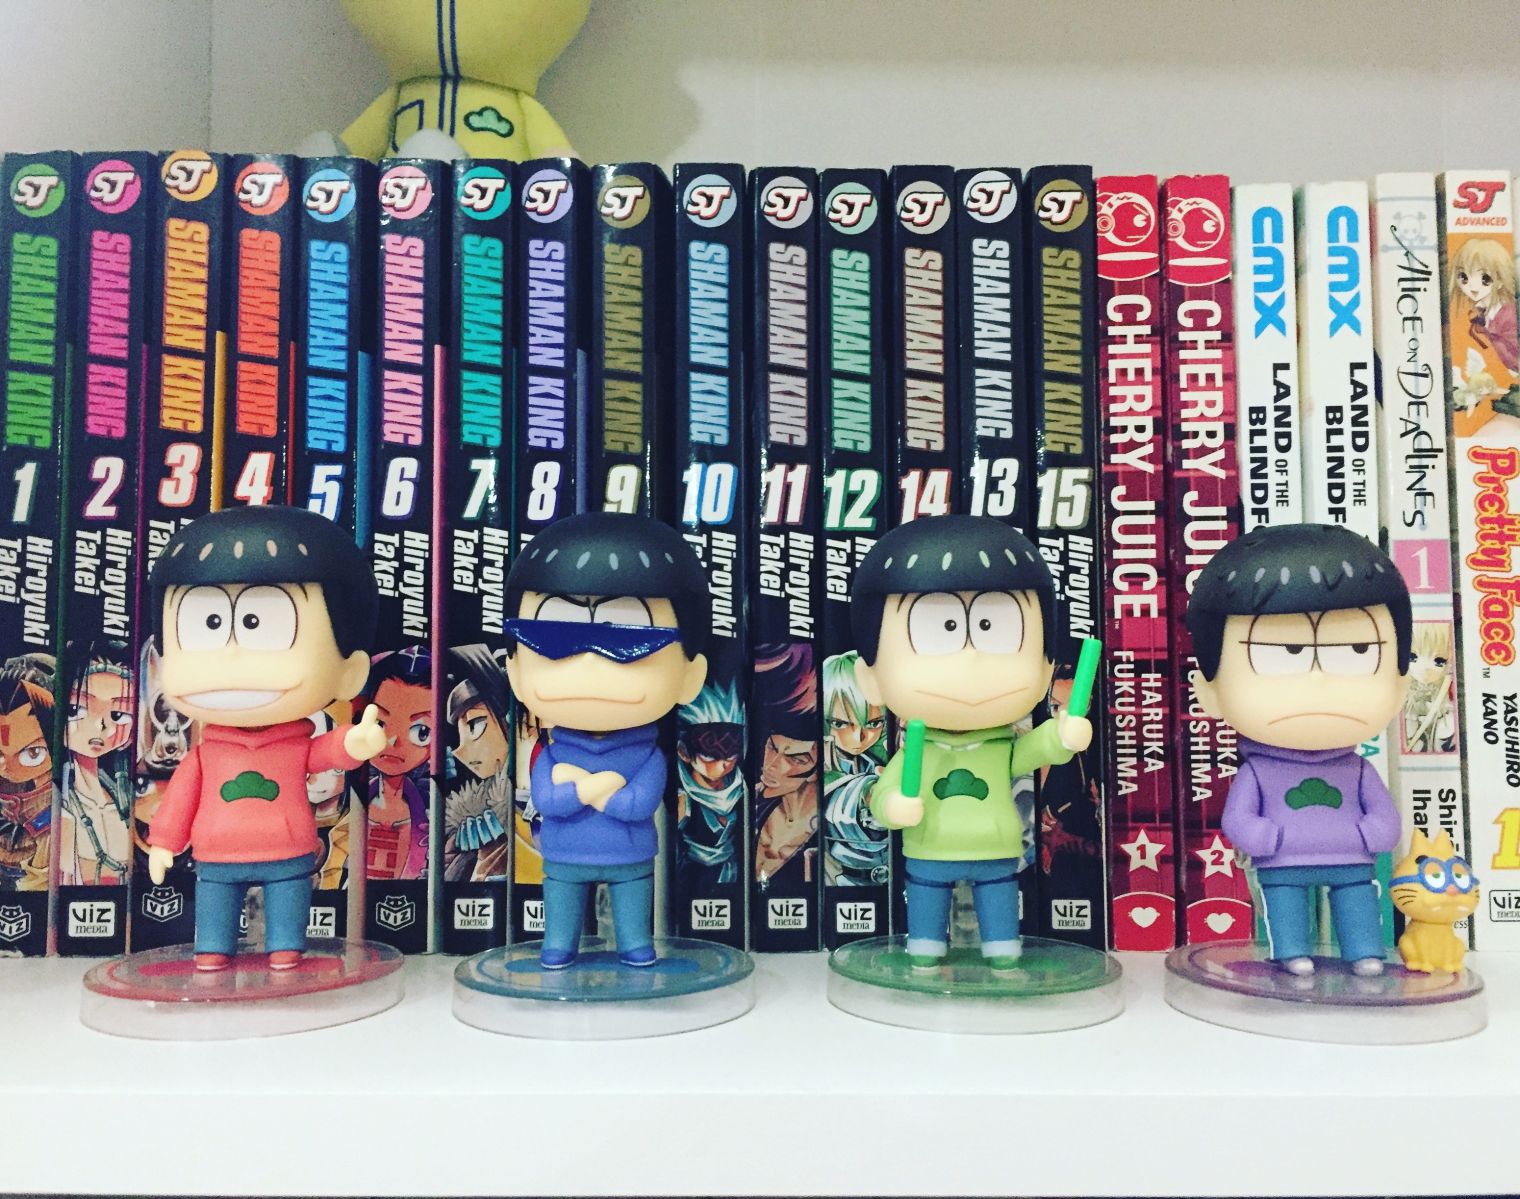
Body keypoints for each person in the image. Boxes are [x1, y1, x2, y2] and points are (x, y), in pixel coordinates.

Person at [144, 506, 387, 971]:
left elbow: (326, 752)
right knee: (213, 933)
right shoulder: (205, 756)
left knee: (287, 932)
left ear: (350, 670)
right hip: (216, 853)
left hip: (288, 850)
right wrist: (164, 843)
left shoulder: (295, 745)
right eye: (207, 625)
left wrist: (355, 744)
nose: (231, 658)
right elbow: (179, 800)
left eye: (261, 625)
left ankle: (287, 951)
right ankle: (212, 951)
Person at [852, 515, 1090, 969]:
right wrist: (893, 807)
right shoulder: (916, 749)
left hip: (996, 850)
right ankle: (925, 950)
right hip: (929, 851)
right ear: (872, 678)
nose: (970, 660)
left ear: (1046, 667)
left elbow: (1036, 750)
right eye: (938, 631)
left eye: (994, 629)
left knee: (1001, 926)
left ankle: (1003, 953)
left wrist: (1063, 736)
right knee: (925, 926)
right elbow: (884, 793)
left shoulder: (1001, 747)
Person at [1186, 522, 1411, 977]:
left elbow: (1385, 816)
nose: (1318, 680)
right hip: (1283, 860)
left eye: (1357, 650)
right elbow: (1237, 818)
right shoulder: (1257, 772)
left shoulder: (1357, 770)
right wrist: (1263, 838)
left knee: (1358, 902)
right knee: (1284, 904)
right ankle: (1290, 953)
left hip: (1351, 859)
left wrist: (1375, 832)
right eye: (1281, 653)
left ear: (1400, 685)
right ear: (1208, 692)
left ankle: (1365, 951)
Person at [502, 512, 709, 970]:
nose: (590, 665)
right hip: (563, 854)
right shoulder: (551, 752)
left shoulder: (648, 755)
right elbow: (547, 801)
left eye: (629, 645)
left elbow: (638, 805)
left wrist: (584, 785)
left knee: (634, 932)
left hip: (630, 856)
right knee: (559, 930)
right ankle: (558, 948)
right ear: (514, 669)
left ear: (690, 675)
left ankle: (636, 948)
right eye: (553, 640)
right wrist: (599, 787)